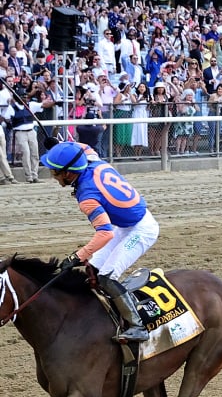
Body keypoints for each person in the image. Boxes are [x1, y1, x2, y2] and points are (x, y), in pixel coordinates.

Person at [40, 141, 159, 343]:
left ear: (68, 174)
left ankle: (138, 326)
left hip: (141, 229)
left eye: (55, 172)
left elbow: (105, 234)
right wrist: (59, 147)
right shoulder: (92, 160)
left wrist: (77, 256)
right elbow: (81, 147)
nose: (54, 177)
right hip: (124, 225)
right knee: (93, 271)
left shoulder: (87, 197)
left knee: (107, 277)